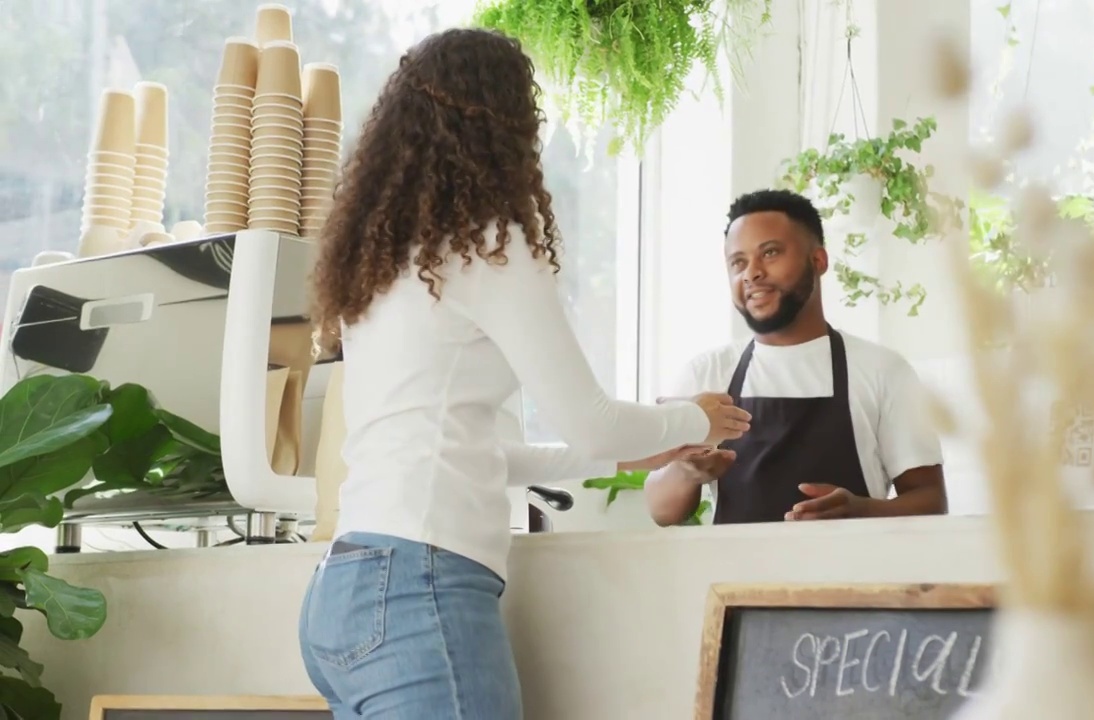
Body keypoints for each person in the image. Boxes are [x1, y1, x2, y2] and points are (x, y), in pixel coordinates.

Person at [298, 29, 751, 720]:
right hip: (419, 590)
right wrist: (696, 417)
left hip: (344, 590)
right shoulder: (488, 246)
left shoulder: (383, 263)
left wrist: (647, 446)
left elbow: (478, 453)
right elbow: (589, 418)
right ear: (506, 125)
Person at [643, 188, 946, 526]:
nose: (751, 273)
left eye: (770, 253)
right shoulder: (708, 372)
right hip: (732, 578)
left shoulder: (883, 370)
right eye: (738, 262)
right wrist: (686, 472)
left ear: (818, 261)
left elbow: (931, 500)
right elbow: (662, 511)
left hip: (853, 576)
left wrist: (862, 511)